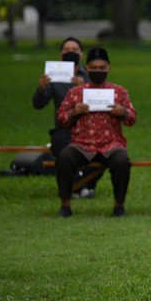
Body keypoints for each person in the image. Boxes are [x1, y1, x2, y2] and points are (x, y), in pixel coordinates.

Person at [55, 47, 137, 217]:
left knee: (122, 161)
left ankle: (119, 204)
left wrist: (123, 112)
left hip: (111, 144)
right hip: (82, 144)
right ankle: (65, 204)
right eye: (94, 68)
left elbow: (132, 118)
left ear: (108, 68)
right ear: (87, 68)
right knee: (64, 158)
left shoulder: (119, 92)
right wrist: (73, 112)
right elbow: (61, 118)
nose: (98, 71)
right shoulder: (76, 93)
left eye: (102, 68)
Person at [32, 37, 96, 198]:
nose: (70, 53)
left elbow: (99, 102)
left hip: (89, 129)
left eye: (74, 50)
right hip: (64, 128)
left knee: (106, 151)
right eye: (66, 50)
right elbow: (38, 104)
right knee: (62, 151)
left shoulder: (91, 75)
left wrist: (83, 86)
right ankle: (79, 188)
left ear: (81, 54)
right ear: (60, 54)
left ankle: (82, 185)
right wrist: (41, 88)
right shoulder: (53, 77)